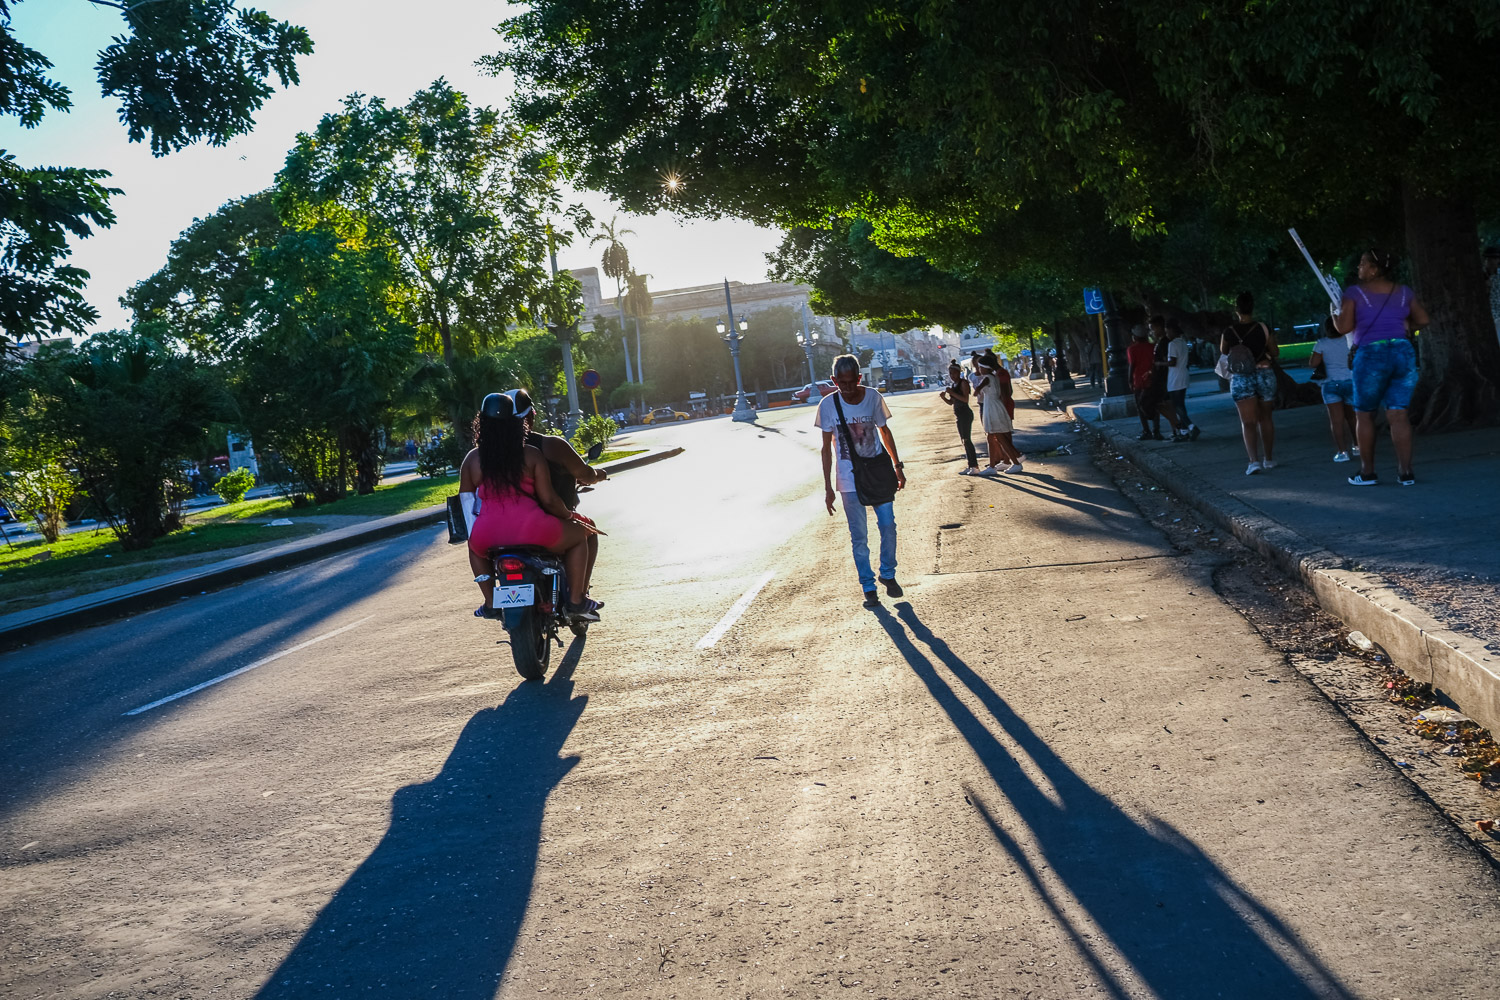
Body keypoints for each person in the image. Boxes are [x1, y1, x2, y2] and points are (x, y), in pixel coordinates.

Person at [459, 392, 601, 622]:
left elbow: (466, 505)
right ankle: (576, 600)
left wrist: (475, 535)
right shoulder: (531, 454)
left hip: (487, 534)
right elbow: (549, 500)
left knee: (474, 549)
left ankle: (490, 602)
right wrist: (569, 516)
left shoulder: (472, 460)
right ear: (516, 423)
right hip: (533, 528)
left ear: (481, 424)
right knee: (580, 536)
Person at [1331, 248, 1429, 486]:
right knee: (1398, 414)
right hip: (1402, 352)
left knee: (1364, 414)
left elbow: (1343, 328)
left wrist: (1334, 313)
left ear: (1374, 269)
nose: (1359, 268)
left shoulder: (1354, 293)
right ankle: (1406, 472)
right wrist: (1407, 328)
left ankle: (1367, 473)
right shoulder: (1404, 291)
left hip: (1371, 354)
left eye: (1363, 263)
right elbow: (1423, 319)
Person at [817, 354, 905, 607]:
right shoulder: (827, 405)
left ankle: (887, 573)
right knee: (859, 536)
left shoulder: (873, 398)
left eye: (851, 382)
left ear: (859, 377)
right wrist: (828, 488)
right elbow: (826, 449)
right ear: (834, 380)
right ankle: (868, 586)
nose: (847, 388)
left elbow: (884, 432)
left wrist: (897, 466)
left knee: (888, 526)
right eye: (841, 383)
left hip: (877, 473)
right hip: (848, 478)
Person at [510, 387, 608, 605]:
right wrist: (598, 475)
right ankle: (578, 598)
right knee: (588, 530)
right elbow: (554, 497)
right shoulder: (547, 447)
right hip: (545, 523)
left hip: (500, 530)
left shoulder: (484, 455)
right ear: (530, 417)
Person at [1220, 292, 1278, 474]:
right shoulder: (1263, 328)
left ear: (1236, 309)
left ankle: (1253, 462)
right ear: (1252, 308)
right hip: (1264, 374)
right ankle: (1269, 458)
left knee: (1248, 422)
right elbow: (1275, 351)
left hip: (1242, 377)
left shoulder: (1229, 331)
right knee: (1266, 418)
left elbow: (1224, 351)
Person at [1309, 318, 1359, 462]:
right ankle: (1357, 446)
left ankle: (1342, 452)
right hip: (1350, 381)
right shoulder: (1350, 340)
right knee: (1353, 418)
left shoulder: (1322, 343)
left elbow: (1313, 363)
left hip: (1330, 383)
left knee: (1336, 421)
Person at [971, 354, 1022, 474]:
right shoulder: (994, 377)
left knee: (1000, 436)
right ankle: (992, 465)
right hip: (994, 406)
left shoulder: (987, 378)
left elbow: (976, 391)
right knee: (992, 436)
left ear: (985, 368)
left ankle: (1016, 463)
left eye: (980, 367)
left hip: (992, 408)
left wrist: (977, 389)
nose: (979, 370)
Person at [938, 360, 980, 475]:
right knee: (964, 440)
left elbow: (965, 399)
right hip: (958, 414)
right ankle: (970, 464)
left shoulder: (963, 383)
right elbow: (951, 402)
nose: (952, 376)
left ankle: (974, 465)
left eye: (954, 373)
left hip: (965, 413)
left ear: (958, 372)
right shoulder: (954, 385)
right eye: (950, 374)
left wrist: (952, 392)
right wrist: (944, 397)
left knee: (967, 440)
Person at [1163, 320, 1200, 438]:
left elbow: (1172, 362)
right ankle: (1184, 431)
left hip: (1175, 377)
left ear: (1172, 331)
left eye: (1167, 332)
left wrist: (1160, 363)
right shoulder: (1183, 343)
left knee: (1176, 405)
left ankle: (1191, 426)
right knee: (1181, 404)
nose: (1166, 334)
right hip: (1183, 374)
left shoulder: (1172, 344)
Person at [1485, 246, 1500, 345]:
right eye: (1488, 258)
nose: (1490, 261)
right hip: (1489, 316)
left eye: (1494, 258)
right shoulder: (1481, 275)